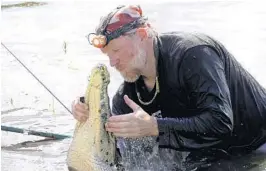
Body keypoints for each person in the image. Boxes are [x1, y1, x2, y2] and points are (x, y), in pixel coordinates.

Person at [72, 5, 266, 170]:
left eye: (116, 51)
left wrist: (155, 126)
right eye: (107, 55)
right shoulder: (128, 94)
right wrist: (89, 115)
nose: (112, 62)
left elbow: (221, 122)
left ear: (141, 35)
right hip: (213, 155)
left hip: (257, 144)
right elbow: (116, 157)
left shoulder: (193, 54)